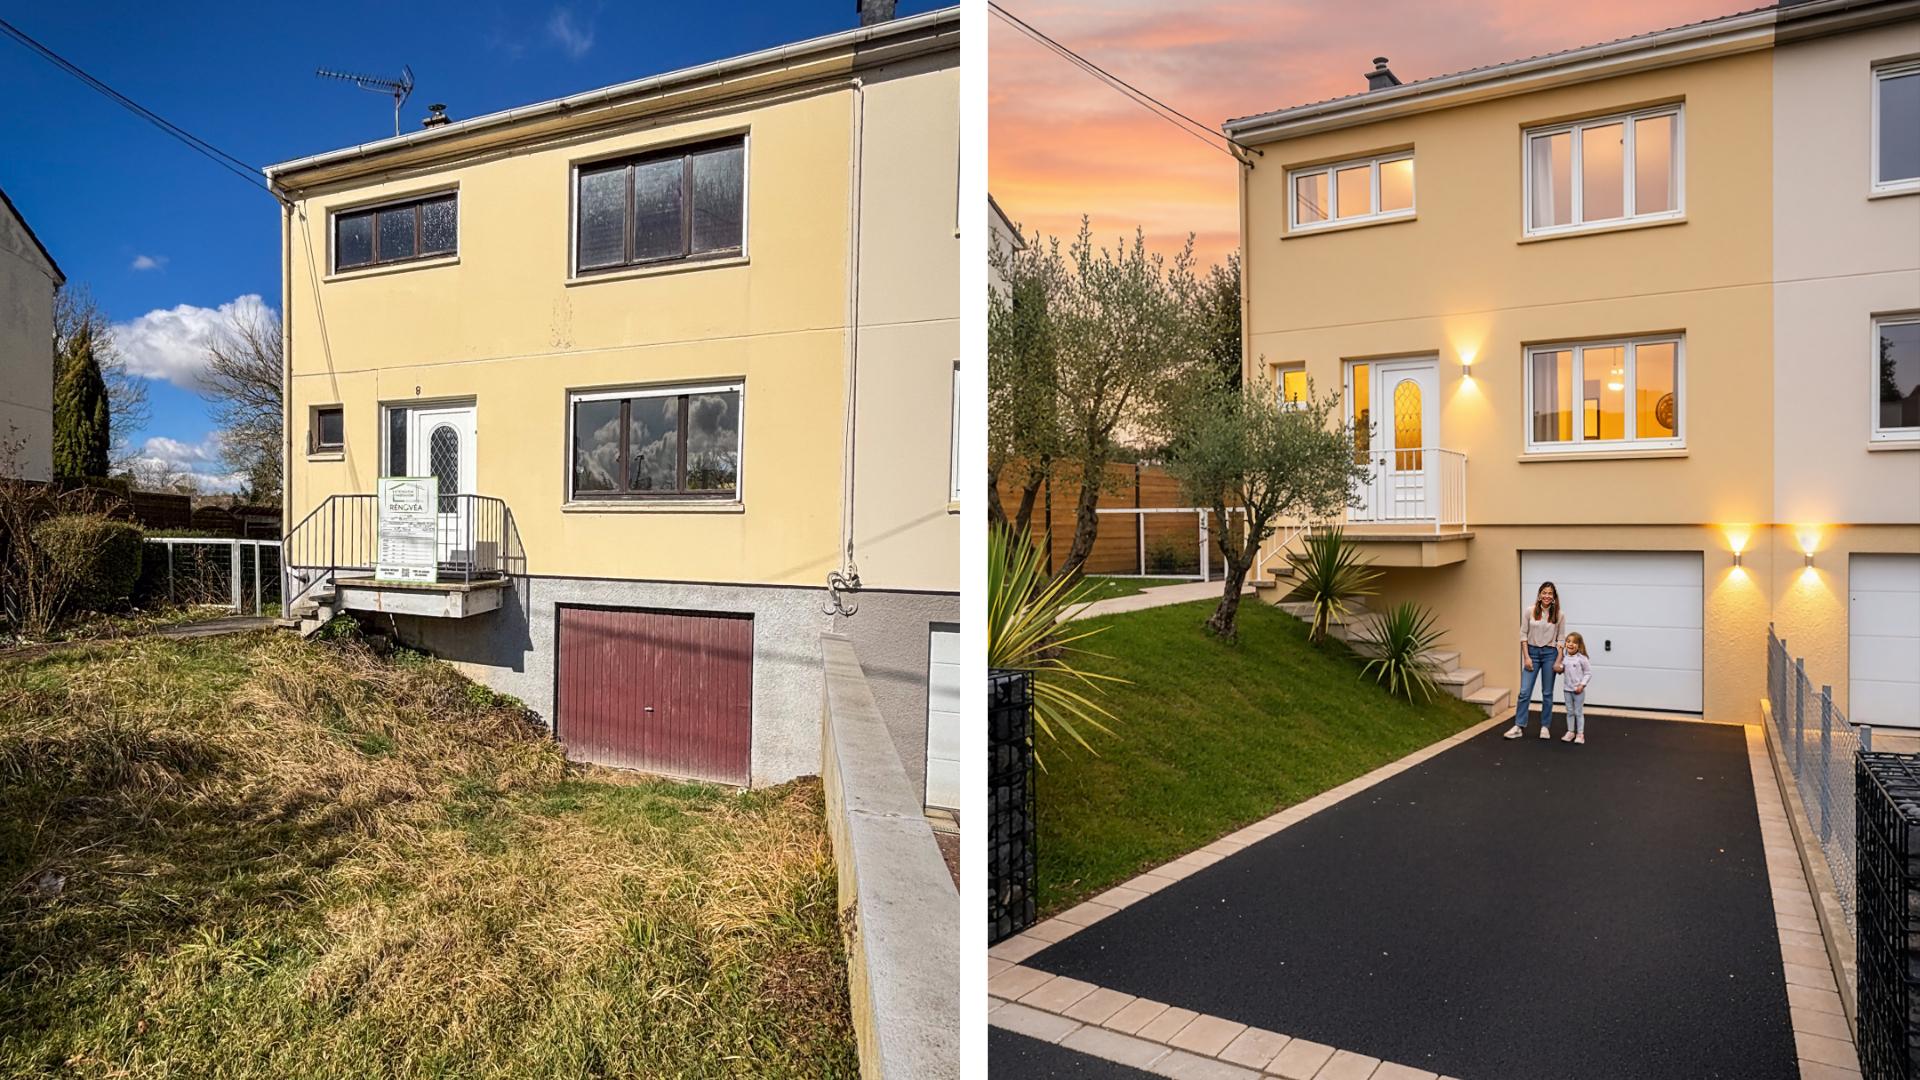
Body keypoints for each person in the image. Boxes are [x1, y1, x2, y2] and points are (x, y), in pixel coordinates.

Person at [1503, 581, 1566, 740]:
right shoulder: (1529, 611)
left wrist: (1558, 660)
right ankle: (1519, 726)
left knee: (1547, 693)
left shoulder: (1559, 615)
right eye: (1544, 593)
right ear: (1539, 595)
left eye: (1550, 593)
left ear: (1554, 597)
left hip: (1550, 654)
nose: (1547, 596)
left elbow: (1561, 639)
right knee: (1524, 692)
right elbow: (1523, 634)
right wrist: (1526, 657)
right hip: (1532, 653)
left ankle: (1545, 727)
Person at [1561, 632, 1592, 745]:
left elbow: (1588, 673)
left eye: (1574, 642)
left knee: (1578, 712)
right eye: (1568, 641)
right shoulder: (1564, 658)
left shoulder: (1582, 659)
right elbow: (1560, 669)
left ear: (1579, 645)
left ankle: (1580, 734)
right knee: (1569, 711)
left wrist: (1582, 685)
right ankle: (1570, 732)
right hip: (1567, 690)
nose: (1570, 644)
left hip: (1578, 691)